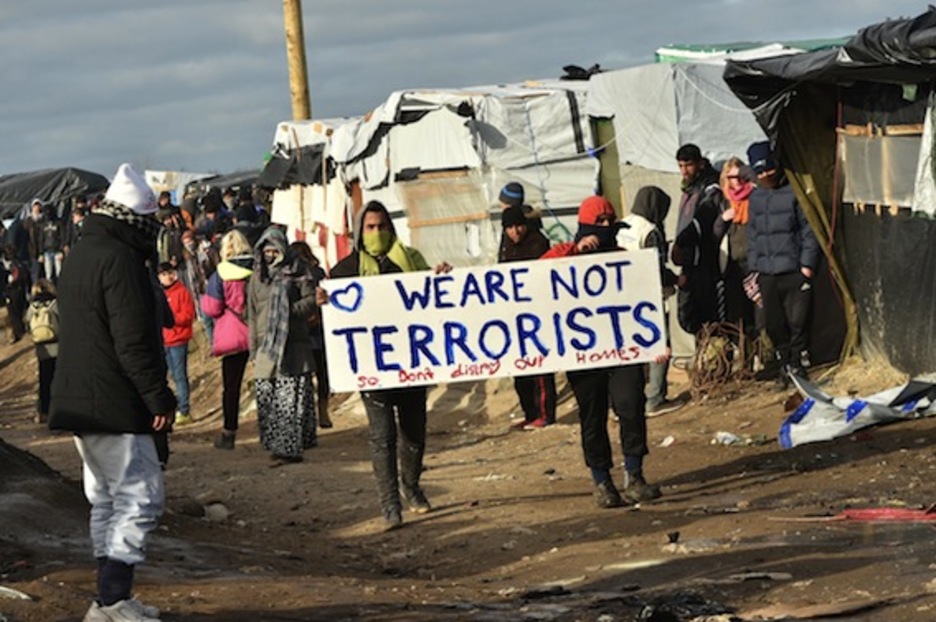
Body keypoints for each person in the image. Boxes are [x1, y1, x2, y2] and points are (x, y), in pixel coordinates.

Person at [49, 163, 174, 622]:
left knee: (105, 498)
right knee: (141, 497)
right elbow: (132, 340)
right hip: (113, 403)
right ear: (135, 219)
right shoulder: (121, 260)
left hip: (80, 399)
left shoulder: (82, 252)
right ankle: (113, 599)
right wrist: (156, 396)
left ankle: (109, 599)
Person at [323, 200, 451, 530]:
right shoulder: (346, 270)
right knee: (382, 438)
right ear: (359, 231)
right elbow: (328, 307)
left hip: (413, 366)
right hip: (372, 370)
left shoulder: (412, 261)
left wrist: (441, 280)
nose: (377, 233)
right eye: (370, 227)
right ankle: (389, 504)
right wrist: (323, 299)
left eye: (382, 227)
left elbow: (436, 299)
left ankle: (411, 486)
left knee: (414, 434)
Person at [542, 195, 665, 508]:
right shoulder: (562, 254)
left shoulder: (625, 258)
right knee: (592, 416)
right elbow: (535, 281)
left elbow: (645, 297)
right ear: (584, 227)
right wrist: (575, 253)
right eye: (601, 223)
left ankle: (635, 475)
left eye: (612, 223)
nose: (608, 228)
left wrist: (655, 341)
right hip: (583, 354)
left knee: (631, 406)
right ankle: (602, 481)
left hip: (622, 351)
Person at [745, 142, 819, 386]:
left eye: (768, 169)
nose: (766, 175)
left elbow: (809, 230)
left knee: (798, 321)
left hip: (793, 268)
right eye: (760, 172)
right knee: (774, 323)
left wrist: (807, 264)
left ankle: (798, 366)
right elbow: (753, 235)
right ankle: (784, 366)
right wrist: (754, 267)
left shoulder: (793, 193)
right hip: (767, 272)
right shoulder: (755, 198)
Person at [247, 227, 320, 463]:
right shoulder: (257, 277)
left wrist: (289, 311)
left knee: (291, 396)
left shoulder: (299, 271)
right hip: (265, 346)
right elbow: (252, 314)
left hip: (293, 342)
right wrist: (253, 350)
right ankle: (276, 441)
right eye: (266, 249)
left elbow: (311, 301)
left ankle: (288, 448)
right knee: (266, 395)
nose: (271, 254)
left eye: (274, 249)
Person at [618, 186, 681, 416]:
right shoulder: (650, 231)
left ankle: (627, 402)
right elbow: (654, 266)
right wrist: (675, 279)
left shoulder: (623, 225)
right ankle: (655, 398)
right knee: (659, 346)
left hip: (625, 299)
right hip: (650, 299)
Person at [498, 205, 556, 429]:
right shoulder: (505, 246)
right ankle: (529, 413)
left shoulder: (537, 242)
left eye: (518, 225)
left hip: (537, 316)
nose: (515, 231)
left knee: (540, 368)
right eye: (510, 227)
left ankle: (544, 414)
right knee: (520, 371)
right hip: (514, 317)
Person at [201, 230, 253, 450]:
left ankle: (229, 432)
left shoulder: (220, 275)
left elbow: (212, 308)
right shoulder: (256, 270)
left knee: (231, 386)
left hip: (233, 334)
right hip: (258, 330)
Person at [671, 144, 725, 335]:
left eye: (688, 165)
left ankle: (718, 361)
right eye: (680, 166)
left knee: (710, 319)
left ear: (700, 163)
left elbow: (703, 218)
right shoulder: (689, 188)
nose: (684, 171)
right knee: (690, 317)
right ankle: (706, 359)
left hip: (706, 264)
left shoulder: (711, 187)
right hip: (690, 263)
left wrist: (681, 242)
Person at [289, 241, 333, 429]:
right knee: (323, 374)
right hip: (321, 330)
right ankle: (323, 411)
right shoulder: (319, 273)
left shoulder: (292, 276)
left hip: (303, 331)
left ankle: (308, 416)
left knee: (305, 375)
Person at [719, 157, 760, 337]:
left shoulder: (756, 196)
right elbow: (714, 234)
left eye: (739, 175)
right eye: (731, 177)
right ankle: (746, 355)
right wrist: (722, 220)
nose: (735, 180)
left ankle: (765, 352)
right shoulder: (723, 201)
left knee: (760, 311)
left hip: (755, 262)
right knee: (738, 314)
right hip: (732, 265)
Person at [158, 262, 195, 425]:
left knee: (180, 376)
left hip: (179, 340)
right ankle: (175, 406)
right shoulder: (159, 294)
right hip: (164, 340)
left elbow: (188, 316)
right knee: (171, 375)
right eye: (164, 274)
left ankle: (184, 409)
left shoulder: (182, 292)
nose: (168, 277)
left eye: (170, 273)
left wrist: (170, 320)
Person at [25, 279, 59, 424]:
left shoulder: (33, 306)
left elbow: (27, 323)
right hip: (58, 347)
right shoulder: (55, 303)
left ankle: (44, 412)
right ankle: (59, 411)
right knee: (58, 381)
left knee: (44, 382)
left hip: (42, 350)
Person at [2, 244, 29, 343]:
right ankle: (20, 331)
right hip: (19, 289)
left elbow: (13, 278)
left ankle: (19, 333)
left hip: (13, 289)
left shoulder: (13, 265)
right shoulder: (19, 262)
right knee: (18, 311)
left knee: (13, 312)